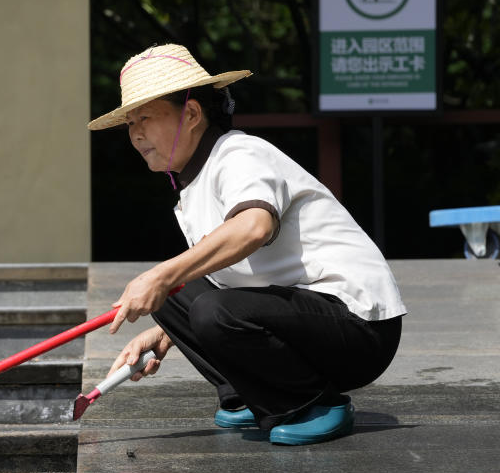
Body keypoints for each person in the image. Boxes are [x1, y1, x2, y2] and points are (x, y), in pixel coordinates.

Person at [88, 43, 405, 445]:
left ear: (190, 114)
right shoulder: (191, 187)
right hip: (305, 318)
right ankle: (245, 396)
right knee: (174, 296)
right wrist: (166, 333)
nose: (135, 134)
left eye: (145, 118)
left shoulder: (239, 154)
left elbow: (253, 227)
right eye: (130, 123)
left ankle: (311, 403)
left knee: (196, 298)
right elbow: (223, 280)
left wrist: (160, 275)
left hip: (359, 327)